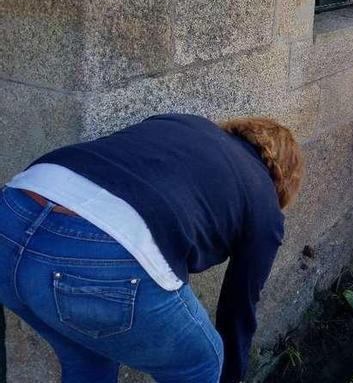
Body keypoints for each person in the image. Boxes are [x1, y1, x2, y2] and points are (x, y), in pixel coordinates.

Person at [0, 114, 303, 383]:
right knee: (203, 361)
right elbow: (239, 309)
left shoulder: (182, 123)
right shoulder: (265, 201)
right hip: (102, 248)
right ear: (282, 179)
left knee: (88, 358)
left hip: (12, 212)